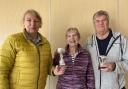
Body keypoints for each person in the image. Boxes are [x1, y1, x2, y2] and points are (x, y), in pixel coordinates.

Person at [0, 9, 52, 89]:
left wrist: (55, 71)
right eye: (29, 20)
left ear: (40, 24)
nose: (32, 24)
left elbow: (48, 66)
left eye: (36, 21)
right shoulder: (13, 40)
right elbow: (2, 69)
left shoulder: (45, 43)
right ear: (23, 23)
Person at [84, 10, 128, 89]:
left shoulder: (121, 39)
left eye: (104, 20)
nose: (101, 23)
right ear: (94, 24)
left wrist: (115, 66)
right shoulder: (88, 42)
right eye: (97, 21)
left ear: (108, 22)